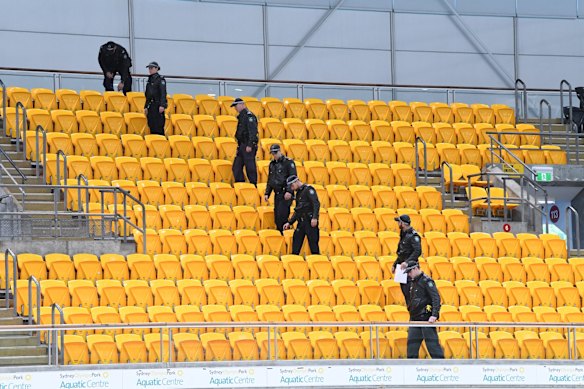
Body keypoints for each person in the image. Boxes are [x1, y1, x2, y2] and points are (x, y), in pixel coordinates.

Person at [403, 260, 444, 359]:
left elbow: (436, 298)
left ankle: (442, 368)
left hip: (425, 319)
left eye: (409, 272)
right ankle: (411, 370)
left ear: (415, 268)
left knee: (433, 347)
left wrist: (434, 315)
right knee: (411, 348)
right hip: (415, 319)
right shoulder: (413, 282)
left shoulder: (427, 281)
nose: (408, 274)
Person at [283, 176, 320, 255]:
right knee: (296, 244)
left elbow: (316, 204)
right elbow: (298, 210)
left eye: (292, 186)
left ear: (296, 182)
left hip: (309, 221)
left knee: (314, 247)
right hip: (301, 222)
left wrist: (314, 218)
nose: (292, 188)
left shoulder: (308, 190)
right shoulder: (298, 193)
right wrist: (290, 222)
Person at [265, 144, 297, 233]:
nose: (274, 155)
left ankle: (284, 234)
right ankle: (281, 234)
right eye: (273, 153)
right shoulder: (272, 164)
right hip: (277, 193)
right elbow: (270, 179)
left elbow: (292, 178)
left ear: (280, 151)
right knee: (277, 217)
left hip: (285, 193)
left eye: (275, 153)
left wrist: (289, 191)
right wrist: (267, 192)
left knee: (282, 216)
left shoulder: (288, 163)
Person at [391, 215, 422, 305]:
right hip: (401, 267)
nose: (398, 224)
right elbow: (402, 252)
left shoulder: (413, 235)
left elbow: (418, 251)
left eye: (399, 222)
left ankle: (414, 315)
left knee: (411, 294)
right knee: (405, 293)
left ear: (403, 224)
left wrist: (407, 262)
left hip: (410, 268)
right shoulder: (403, 234)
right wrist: (395, 264)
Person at [231, 98, 259, 185]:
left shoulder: (249, 116)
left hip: (247, 145)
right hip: (242, 145)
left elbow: (253, 131)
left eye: (236, 106)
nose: (235, 108)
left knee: (250, 167)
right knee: (236, 167)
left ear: (242, 105)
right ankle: (241, 185)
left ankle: (253, 184)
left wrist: (250, 145)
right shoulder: (242, 116)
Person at [144, 62, 167, 136]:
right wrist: (146, 106)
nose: (150, 70)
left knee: (159, 126)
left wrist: (162, 105)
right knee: (151, 124)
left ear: (157, 68)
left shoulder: (160, 79)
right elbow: (148, 95)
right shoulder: (149, 80)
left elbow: (163, 93)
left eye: (152, 68)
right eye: (149, 68)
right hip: (151, 105)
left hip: (158, 104)